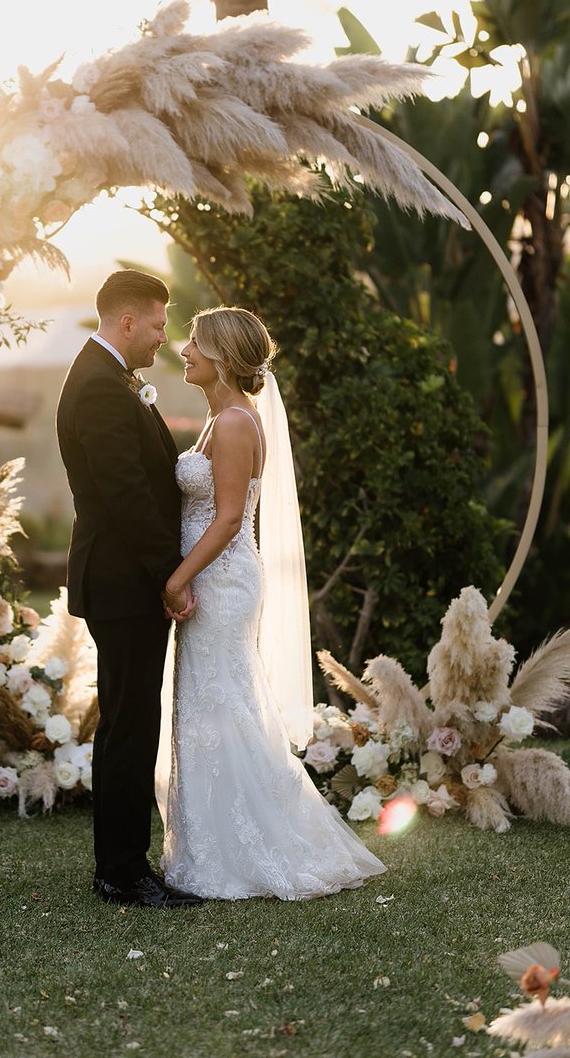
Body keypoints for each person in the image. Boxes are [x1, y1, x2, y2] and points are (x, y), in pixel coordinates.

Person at [157, 306, 387, 900]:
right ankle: (213, 843)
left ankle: (251, 849)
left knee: (222, 706)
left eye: (194, 343)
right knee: (209, 708)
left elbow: (230, 518)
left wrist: (178, 580)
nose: (183, 350)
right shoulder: (220, 418)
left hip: (221, 581)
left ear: (222, 357)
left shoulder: (234, 424)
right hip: (211, 577)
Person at [56, 269, 202, 908]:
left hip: (124, 580)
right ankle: (121, 872)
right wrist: (170, 575)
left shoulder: (109, 378)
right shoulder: (98, 387)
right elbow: (125, 496)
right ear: (125, 322)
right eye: (155, 323)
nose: (160, 336)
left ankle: (120, 863)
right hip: (124, 582)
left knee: (127, 722)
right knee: (130, 726)